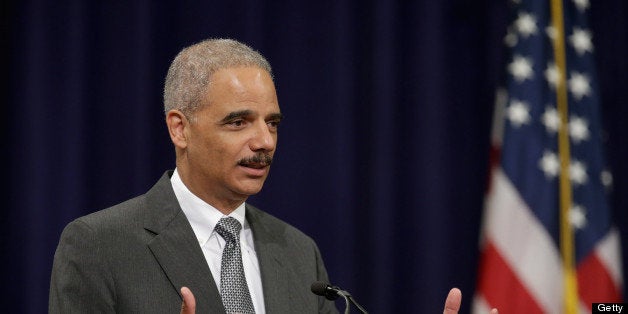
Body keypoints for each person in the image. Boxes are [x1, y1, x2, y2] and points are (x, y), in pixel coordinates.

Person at [49, 38, 496, 314]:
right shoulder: (99, 246)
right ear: (179, 127)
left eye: (273, 123)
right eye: (238, 122)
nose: (265, 141)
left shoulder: (300, 254)